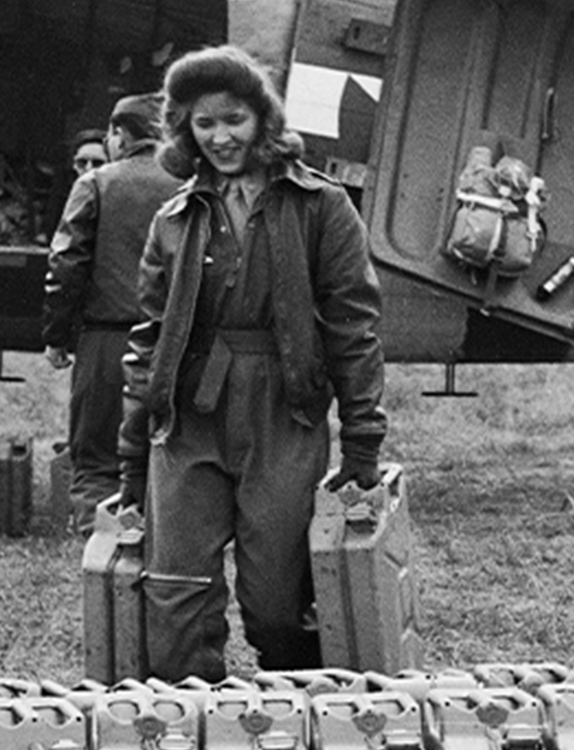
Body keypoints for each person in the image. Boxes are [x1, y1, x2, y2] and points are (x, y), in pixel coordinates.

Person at [117, 45, 388, 681]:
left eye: (233, 119)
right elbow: (149, 340)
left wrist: (363, 445)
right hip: (187, 419)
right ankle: (191, 720)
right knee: (175, 597)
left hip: (282, 412)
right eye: (202, 123)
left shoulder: (323, 208)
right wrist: (132, 459)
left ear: (263, 119)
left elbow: (354, 328)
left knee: (277, 604)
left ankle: (295, 710)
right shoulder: (174, 218)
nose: (219, 137)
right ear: (184, 129)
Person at [43, 94, 182, 535]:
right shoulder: (191, 185)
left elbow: (66, 264)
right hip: (173, 340)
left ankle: (98, 545)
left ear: (119, 136)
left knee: (97, 454)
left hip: (107, 339)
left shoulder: (97, 183)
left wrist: (57, 334)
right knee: (171, 450)